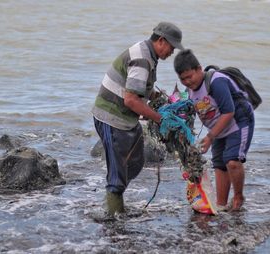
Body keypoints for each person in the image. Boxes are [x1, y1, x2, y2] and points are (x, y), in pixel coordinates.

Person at [92, 22, 184, 215]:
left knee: (136, 161)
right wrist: (159, 119)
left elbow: (141, 87)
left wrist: (159, 99)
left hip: (124, 118)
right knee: (118, 171)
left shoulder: (149, 54)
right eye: (172, 47)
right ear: (161, 41)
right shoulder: (143, 58)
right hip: (111, 116)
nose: (172, 52)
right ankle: (113, 216)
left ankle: (114, 201)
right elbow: (131, 100)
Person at [173, 49, 255, 212]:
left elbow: (229, 111)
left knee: (232, 161)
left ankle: (238, 198)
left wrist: (210, 137)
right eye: (183, 79)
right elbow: (188, 112)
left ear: (199, 68)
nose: (188, 82)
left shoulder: (216, 82)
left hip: (239, 122)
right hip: (219, 128)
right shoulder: (189, 91)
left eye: (190, 76)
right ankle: (221, 205)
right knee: (219, 165)